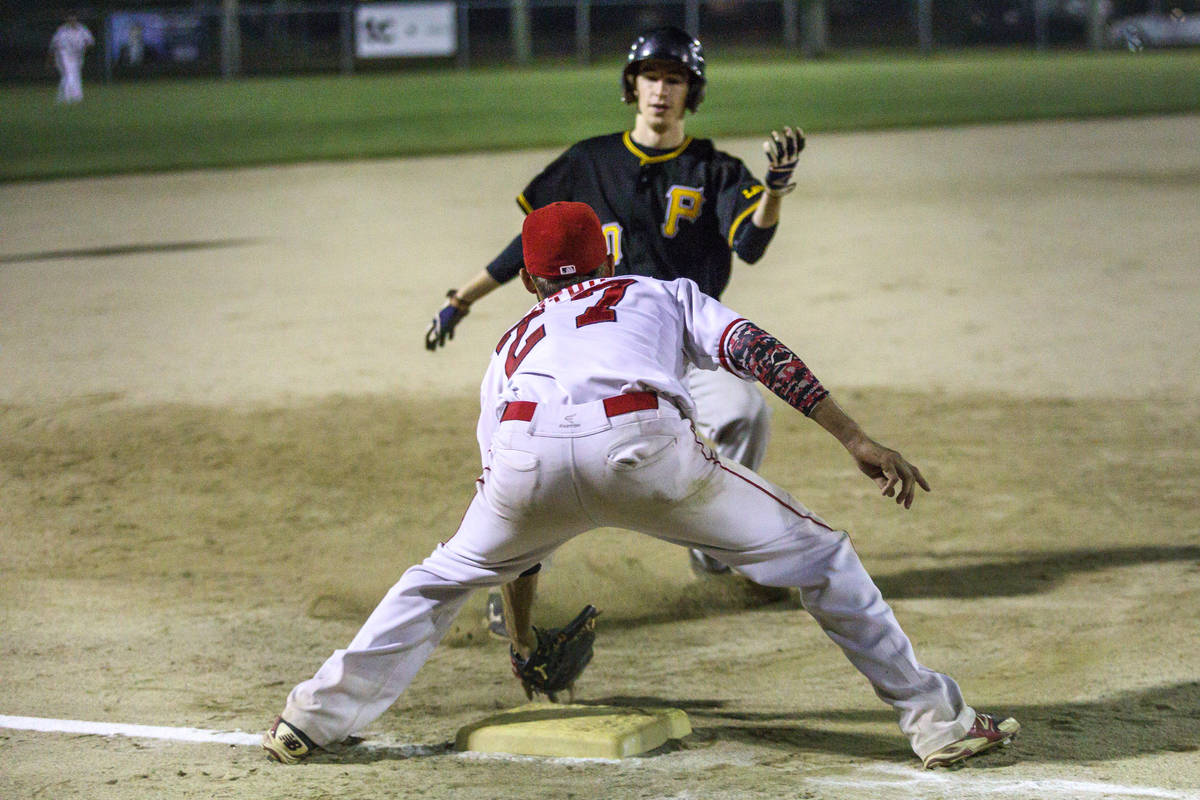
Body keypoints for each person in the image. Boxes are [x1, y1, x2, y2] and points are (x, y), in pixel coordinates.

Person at [264, 201, 1020, 770]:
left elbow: (509, 506)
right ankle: (937, 722)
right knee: (821, 557)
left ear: (527, 279)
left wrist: (523, 639)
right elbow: (755, 351)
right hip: (644, 449)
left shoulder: (510, 343)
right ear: (607, 256)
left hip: (523, 463)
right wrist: (853, 436)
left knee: (437, 580)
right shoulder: (658, 292)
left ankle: (311, 719)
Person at [424, 25, 807, 631]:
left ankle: (715, 554)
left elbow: (752, 243)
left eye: (674, 79)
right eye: (651, 77)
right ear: (633, 86)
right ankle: (508, 571)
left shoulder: (716, 169)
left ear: (691, 91)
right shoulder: (588, 161)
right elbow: (527, 246)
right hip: (591, 354)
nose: (661, 91)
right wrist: (462, 299)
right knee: (553, 451)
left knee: (743, 411)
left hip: (679, 348)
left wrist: (776, 191)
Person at [48, 14, 95, 104]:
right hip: (64, 54)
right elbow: (54, 45)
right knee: (70, 75)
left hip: (78, 55)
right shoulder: (62, 30)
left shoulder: (82, 29)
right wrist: (51, 59)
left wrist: (84, 48)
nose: (72, 21)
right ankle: (72, 97)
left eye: (73, 19)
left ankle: (63, 97)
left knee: (73, 75)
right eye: (69, 19)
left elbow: (90, 41)